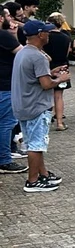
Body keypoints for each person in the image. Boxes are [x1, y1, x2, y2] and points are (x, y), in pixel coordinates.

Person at [12, 20, 70, 192]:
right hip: (37, 105)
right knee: (36, 145)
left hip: (24, 105)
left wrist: (51, 72)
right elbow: (45, 84)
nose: (49, 34)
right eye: (46, 32)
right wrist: (61, 79)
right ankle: (32, 180)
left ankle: (42, 174)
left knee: (33, 144)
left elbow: (33, 76)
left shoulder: (23, 52)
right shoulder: (38, 56)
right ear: (40, 34)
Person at [0, 9, 27, 175]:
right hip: (5, 86)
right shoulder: (3, 36)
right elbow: (23, 54)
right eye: (7, 16)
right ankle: (4, 160)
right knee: (6, 123)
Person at [44, 13, 72, 131]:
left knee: (45, 95)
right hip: (62, 66)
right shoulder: (66, 37)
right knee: (59, 96)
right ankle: (60, 123)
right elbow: (67, 53)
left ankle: (45, 121)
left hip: (47, 65)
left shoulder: (45, 36)